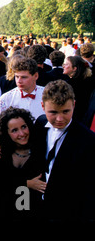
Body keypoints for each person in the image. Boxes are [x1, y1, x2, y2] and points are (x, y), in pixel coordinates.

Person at [34, 80, 95, 220]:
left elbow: (90, 187)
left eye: (66, 111)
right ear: (42, 106)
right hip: (37, 208)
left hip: (68, 211)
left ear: (74, 104)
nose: (60, 119)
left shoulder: (88, 140)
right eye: (53, 112)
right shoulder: (40, 124)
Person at [0, 107, 45, 220]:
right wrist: (26, 183)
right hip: (2, 213)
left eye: (24, 127)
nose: (21, 133)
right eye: (14, 130)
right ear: (6, 133)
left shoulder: (40, 150)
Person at [62, 55, 94, 122]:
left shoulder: (69, 85)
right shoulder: (90, 81)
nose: (63, 66)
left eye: (66, 64)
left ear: (74, 68)